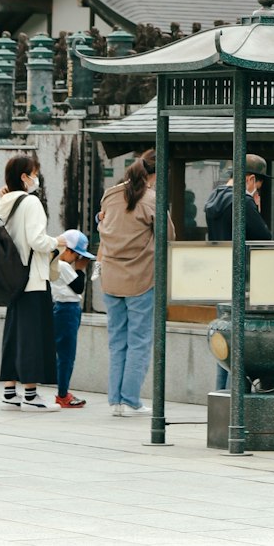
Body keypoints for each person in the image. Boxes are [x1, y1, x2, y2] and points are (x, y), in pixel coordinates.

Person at [97, 149, 174, 417]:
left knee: (117, 341)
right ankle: (130, 400)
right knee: (139, 341)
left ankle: (116, 401)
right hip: (141, 278)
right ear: (152, 176)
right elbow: (169, 236)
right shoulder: (152, 198)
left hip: (111, 277)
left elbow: (102, 223)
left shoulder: (110, 194)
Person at [0, 151, 64, 410]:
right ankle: (32, 395)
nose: (37, 179)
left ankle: (10, 393)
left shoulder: (3, 202)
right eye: (35, 174)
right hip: (32, 278)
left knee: (14, 335)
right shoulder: (31, 202)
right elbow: (37, 240)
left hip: (11, 278)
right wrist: (57, 241)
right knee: (33, 337)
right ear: (24, 177)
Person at [204, 155, 270, 392]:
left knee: (224, 342)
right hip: (243, 280)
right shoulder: (243, 201)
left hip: (221, 279)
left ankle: (221, 398)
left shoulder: (214, 199)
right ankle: (236, 401)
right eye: (259, 185)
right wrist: (257, 208)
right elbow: (264, 239)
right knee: (241, 347)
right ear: (251, 180)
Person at [51, 228, 95, 409]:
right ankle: (63, 394)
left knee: (64, 354)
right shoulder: (62, 266)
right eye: (77, 255)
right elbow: (78, 287)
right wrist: (81, 269)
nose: (78, 259)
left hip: (62, 309)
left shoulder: (55, 264)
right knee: (67, 355)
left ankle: (63, 392)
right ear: (66, 250)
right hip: (66, 310)